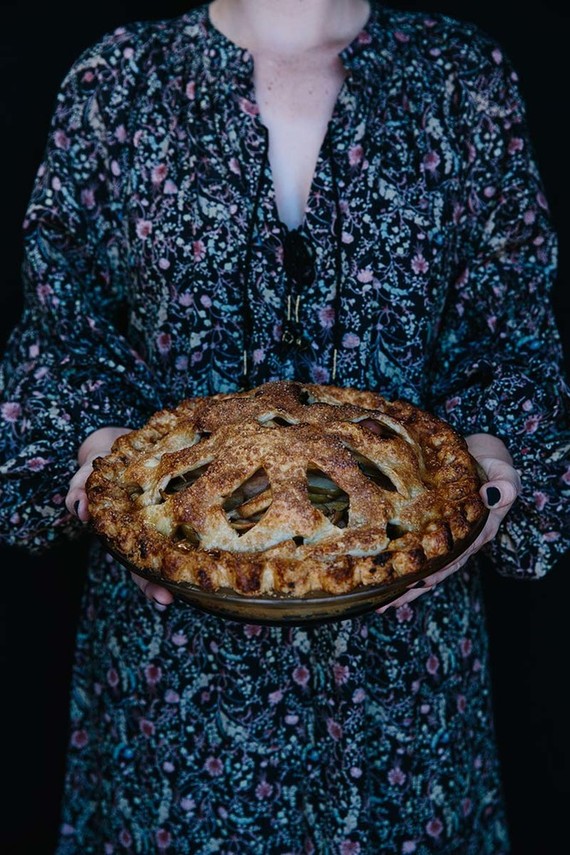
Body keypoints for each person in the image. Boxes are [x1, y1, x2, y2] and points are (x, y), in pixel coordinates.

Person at [1, 0, 568, 851]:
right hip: (173, 704)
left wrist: (489, 464)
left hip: (405, 702)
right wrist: (104, 462)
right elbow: (61, 335)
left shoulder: (460, 80)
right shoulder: (118, 83)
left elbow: (510, 335)